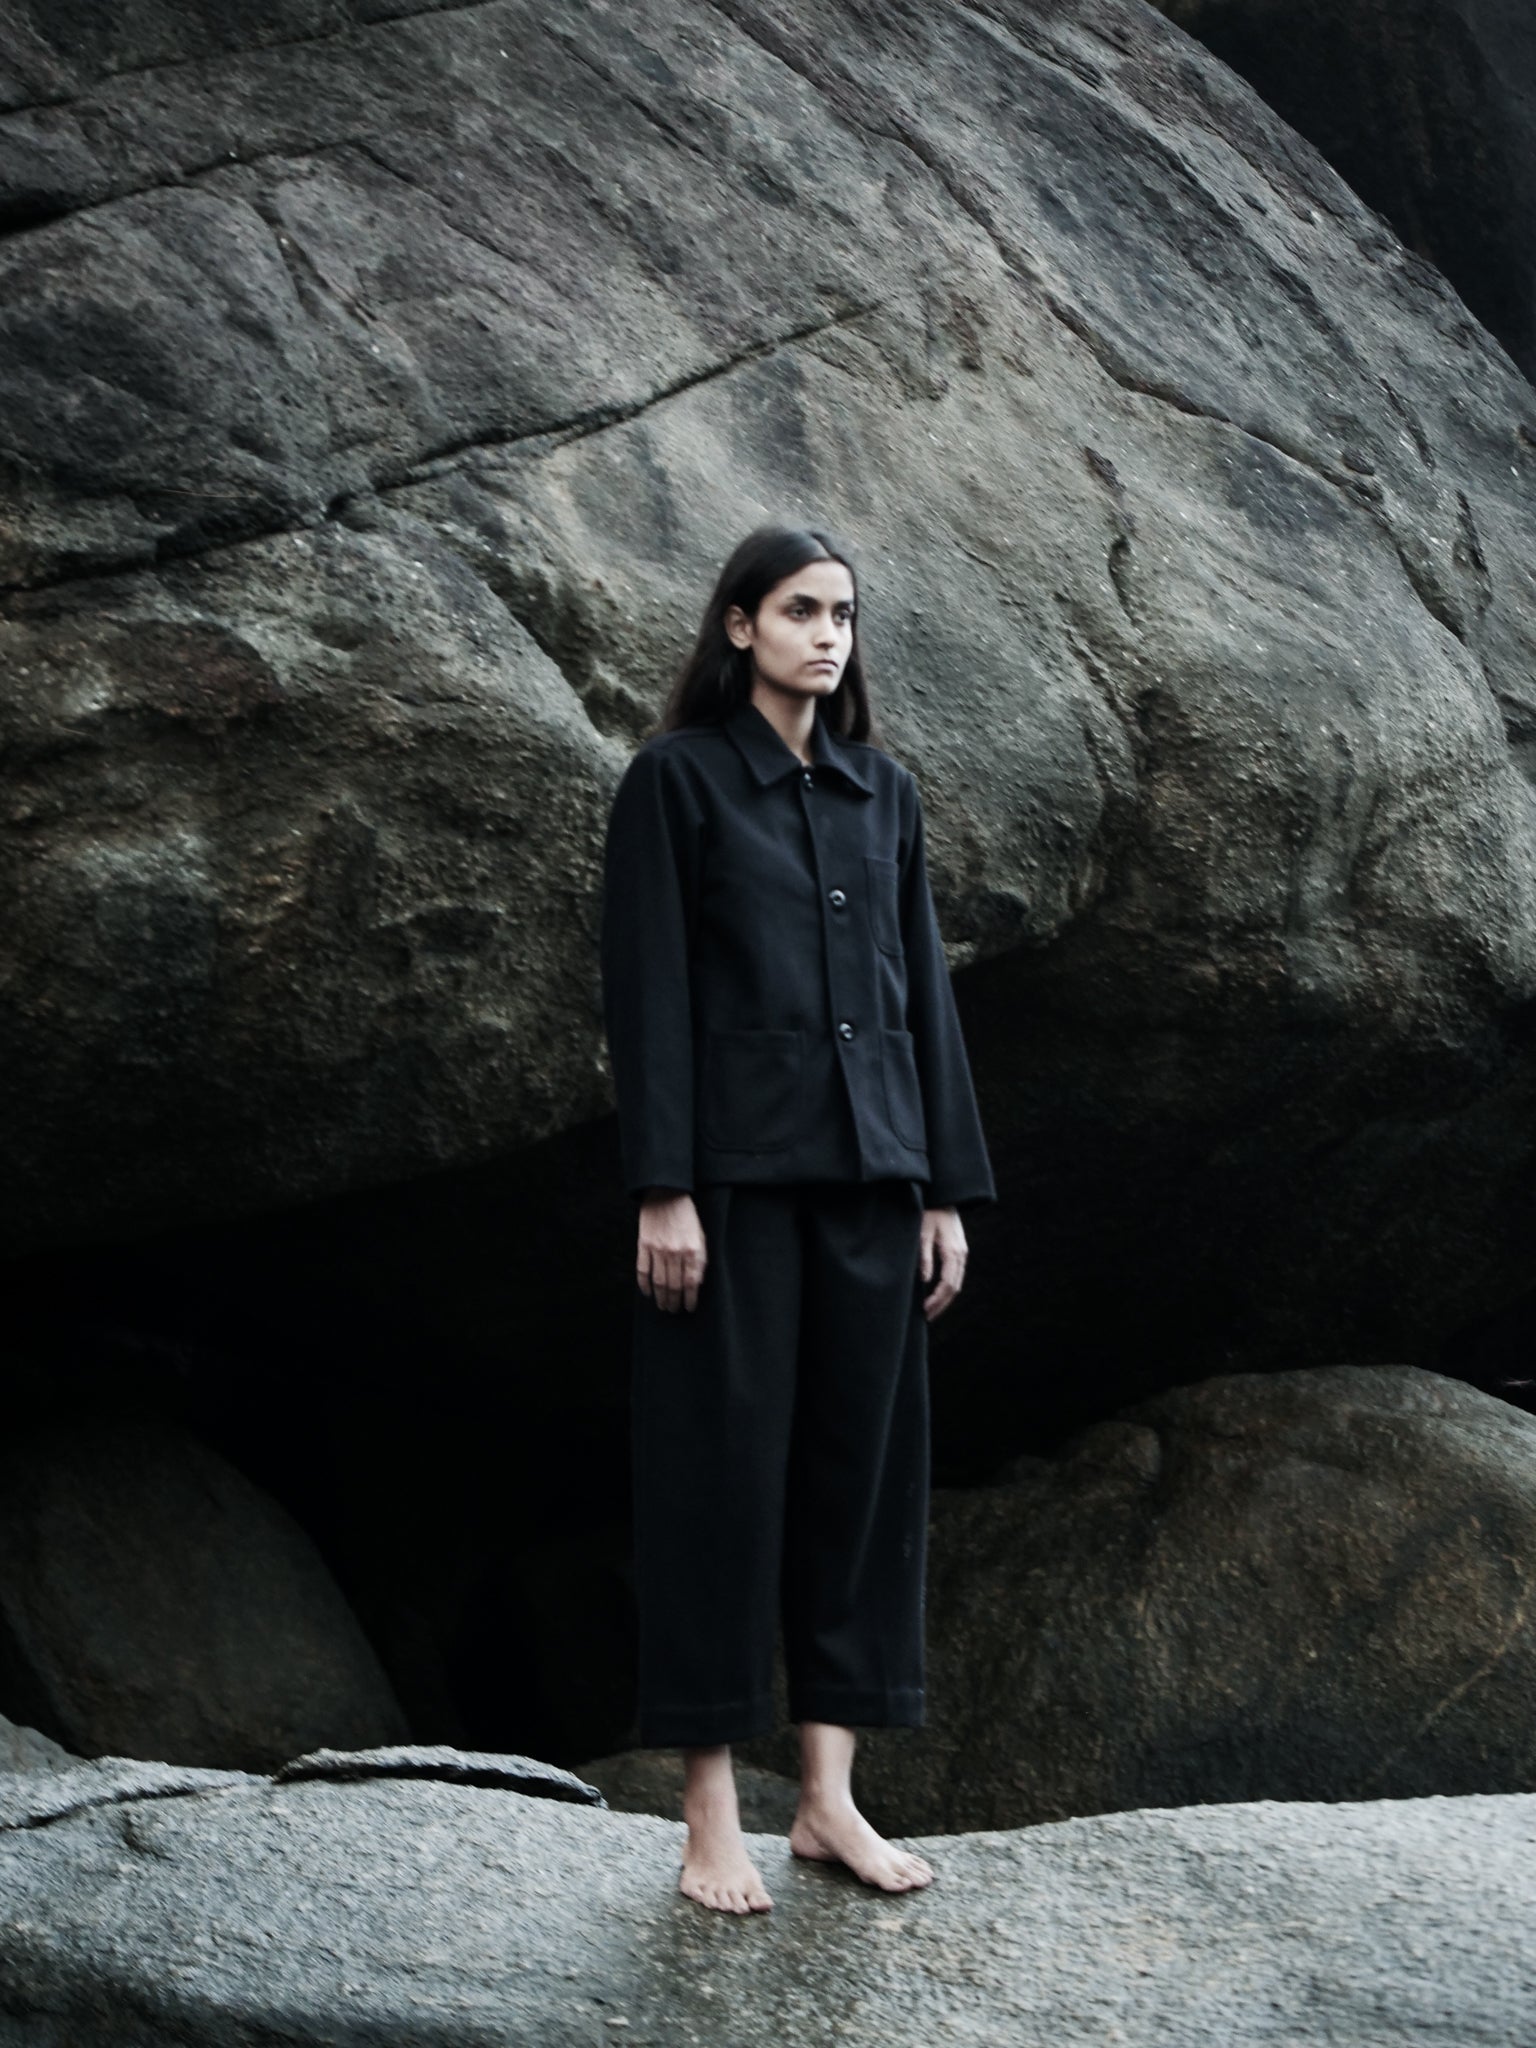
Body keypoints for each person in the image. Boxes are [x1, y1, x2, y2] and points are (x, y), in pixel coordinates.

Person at [599, 523, 996, 1915]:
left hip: (876, 1183)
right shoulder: (676, 784)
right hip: (732, 1190)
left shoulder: (886, 794)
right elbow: (647, 991)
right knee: (719, 1482)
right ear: (737, 626)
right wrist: (665, 1186)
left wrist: (943, 1184)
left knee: (861, 1479)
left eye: (844, 615)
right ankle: (710, 1813)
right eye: (800, 611)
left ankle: (826, 1799)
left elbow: (921, 1000)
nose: (829, 635)